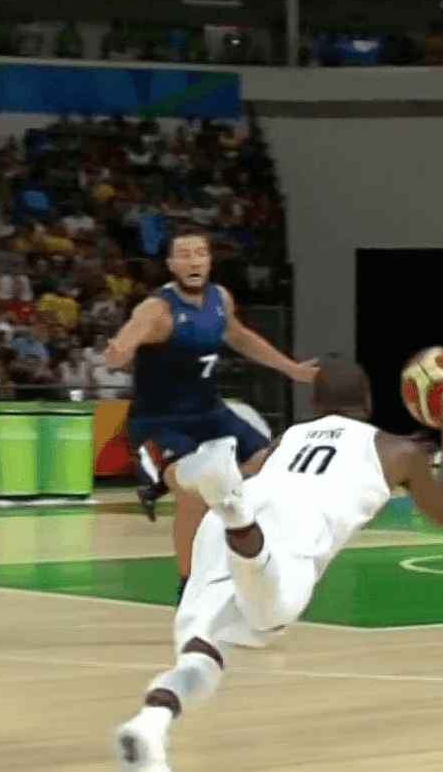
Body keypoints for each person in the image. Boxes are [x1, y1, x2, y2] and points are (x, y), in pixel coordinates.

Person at [112, 360, 443, 772]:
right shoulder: (399, 449)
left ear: (314, 405)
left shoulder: (287, 439)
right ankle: (235, 512)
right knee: (271, 615)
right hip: (287, 529)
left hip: (230, 516)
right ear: (367, 404)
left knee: (203, 654)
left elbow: (251, 469)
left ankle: (150, 727)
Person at [104, 228, 317, 598]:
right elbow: (121, 346)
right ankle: (189, 586)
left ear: (209, 260)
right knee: (193, 495)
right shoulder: (157, 309)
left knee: (273, 465)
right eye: (184, 255)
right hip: (159, 422)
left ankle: (258, 556)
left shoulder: (220, 299)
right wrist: (117, 353)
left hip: (208, 413)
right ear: (171, 264)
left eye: (199, 253)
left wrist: (292, 369)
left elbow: (241, 337)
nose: (193, 261)